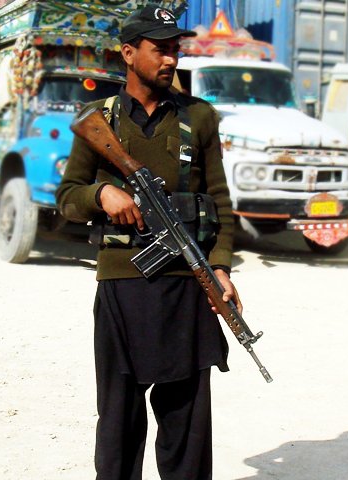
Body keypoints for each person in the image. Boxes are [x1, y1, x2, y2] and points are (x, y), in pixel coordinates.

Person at [56, 5, 240, 480]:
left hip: (186, 284)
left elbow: (219, 199)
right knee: (119, 419)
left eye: (175, 49)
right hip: (122, 285)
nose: (170, 60)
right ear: (129, 52)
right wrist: (102, 193)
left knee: (187, 422)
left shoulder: (199, 118)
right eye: (160, 49)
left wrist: (219, 268)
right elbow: (67, 198)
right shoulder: (100, 122)